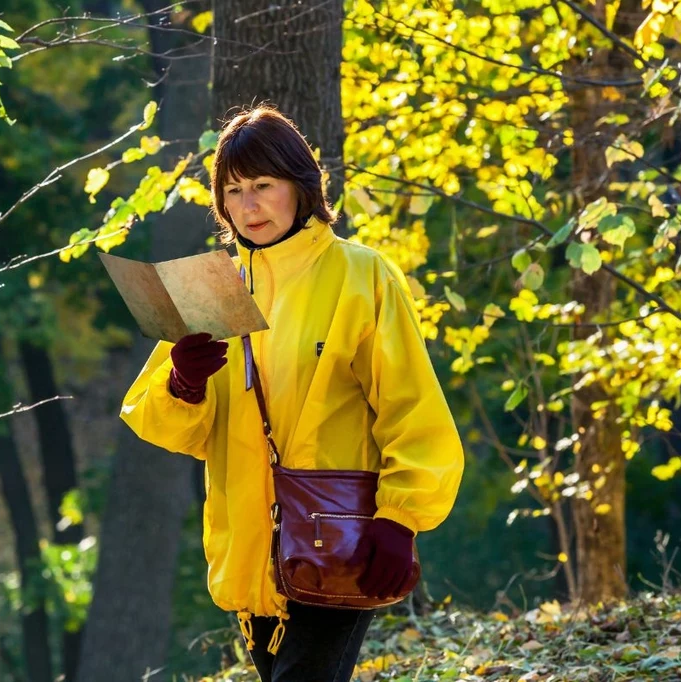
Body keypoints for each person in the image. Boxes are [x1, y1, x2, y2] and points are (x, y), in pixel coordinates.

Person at [119, 105, 464, 682]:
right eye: (232, 190)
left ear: (301, 187)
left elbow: (412, 406)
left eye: (262, 185)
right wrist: (184, 382)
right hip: (249, 549)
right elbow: (169, 428)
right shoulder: (214, 288)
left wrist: (401, 519)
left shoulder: (362, 275)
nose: (248, 205)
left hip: (342, 537)